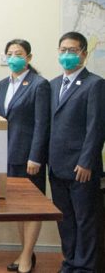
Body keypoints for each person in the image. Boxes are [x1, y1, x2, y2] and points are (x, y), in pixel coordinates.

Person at [49, 31, 104, 273]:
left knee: (85, 220)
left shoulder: (95, 84)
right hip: (57, 166)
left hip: (82, 168)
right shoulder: (52, 84)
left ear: (84, 53)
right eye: (63, 50)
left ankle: (85, 267)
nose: (67, 55)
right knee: (66, 220)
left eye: (72, 50)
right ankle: (69, 261)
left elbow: (96, 127)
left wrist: (87, 162)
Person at [0, 39, 50, 273]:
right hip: (7, 155)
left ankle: (27, 257)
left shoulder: (39, 84)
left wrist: (36, 157)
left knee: (33, 207)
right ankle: (25, 252)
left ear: (28, 57)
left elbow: (42, 124)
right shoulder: (1, 84)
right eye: (9, 53)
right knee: (18, 207)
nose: (13, 57)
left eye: (18, 53)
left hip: (29, 158)